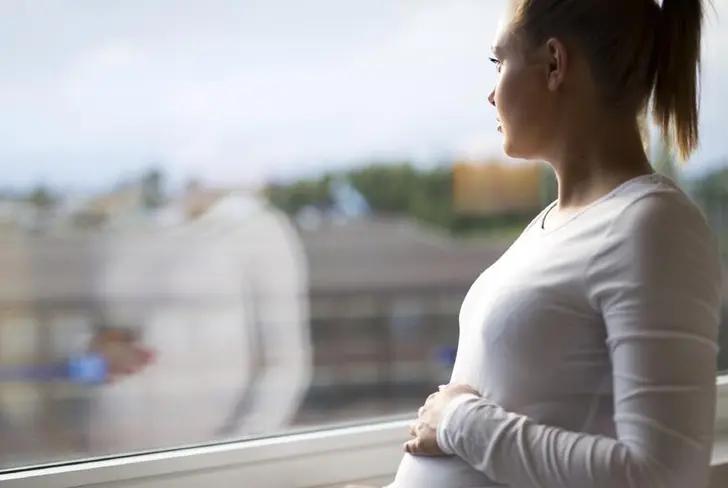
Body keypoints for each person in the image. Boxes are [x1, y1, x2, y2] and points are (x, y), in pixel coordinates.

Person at [381, 0, 723, 487]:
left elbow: (664, 475)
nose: (490, 94)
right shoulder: (553, 225)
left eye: (499, 63)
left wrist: (459, 422)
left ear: (555, 63)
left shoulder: (654, 227)